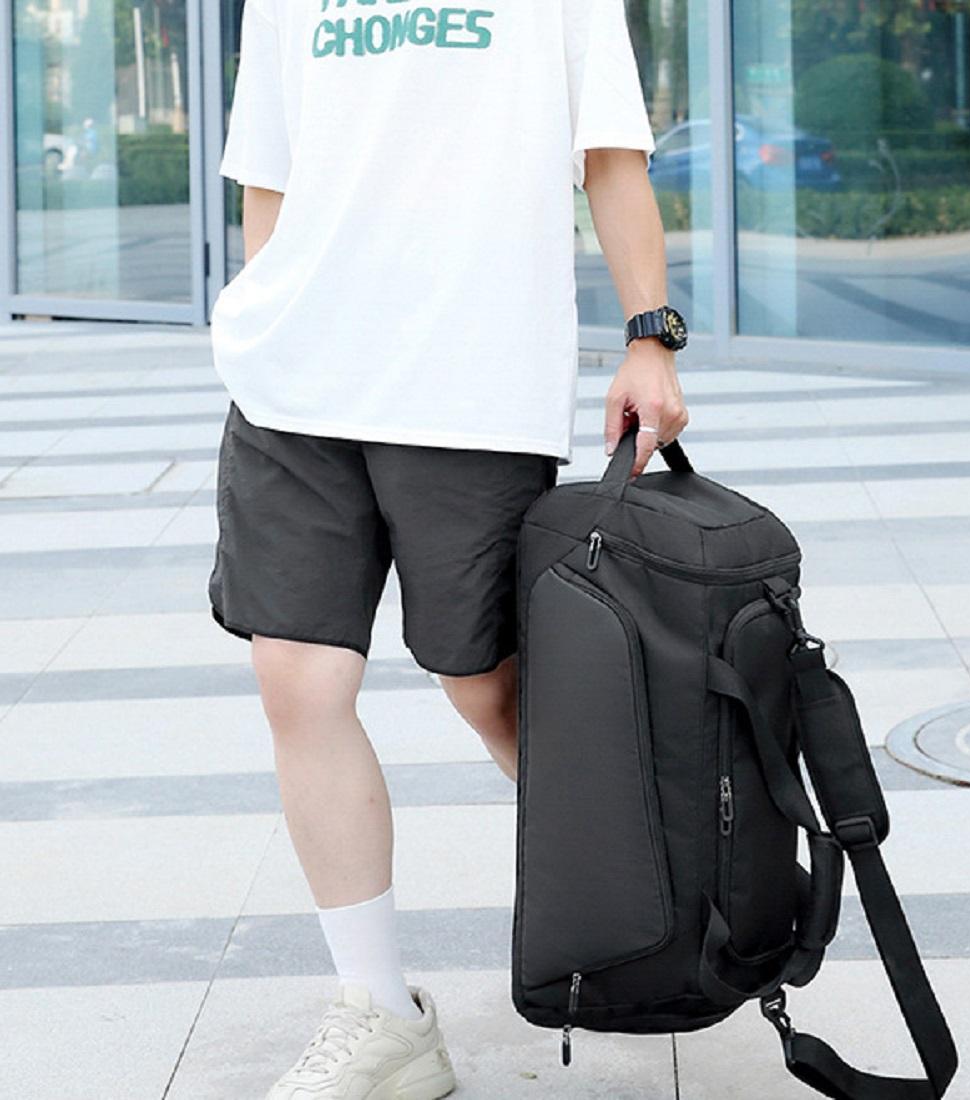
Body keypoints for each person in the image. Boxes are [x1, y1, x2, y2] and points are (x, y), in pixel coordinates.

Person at [207, 1, 689, 1097]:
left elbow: (609, 156)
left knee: (489, 688)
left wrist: (649, 338)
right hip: (293, 385)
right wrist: (257, 324)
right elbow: (269, 175)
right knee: (297, 679)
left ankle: (671, 904)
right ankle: (379, 1012)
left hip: (470, 380)